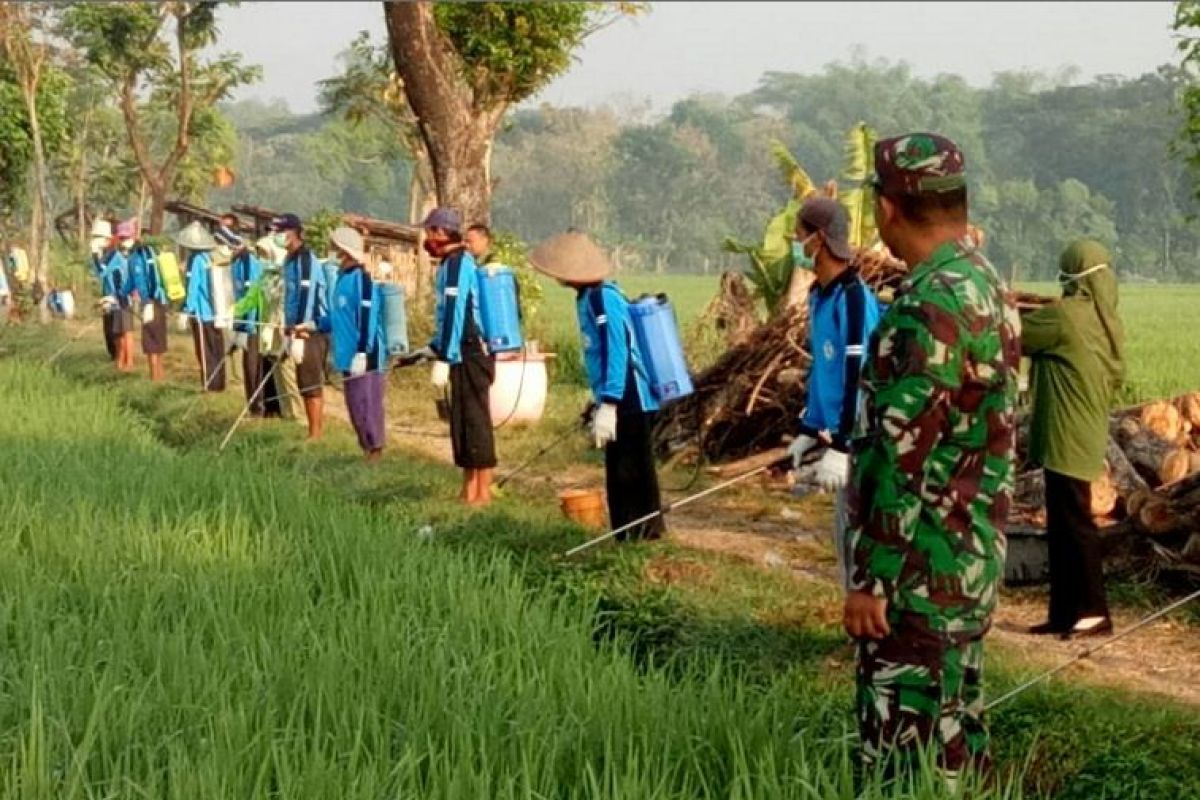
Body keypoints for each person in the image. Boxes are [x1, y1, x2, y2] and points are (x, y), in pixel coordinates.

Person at [845, 133, 1020, 783]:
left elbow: (899, 454)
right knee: (957, 749)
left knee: (901, 763)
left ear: (888, 208)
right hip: (969, 566)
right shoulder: (985, 285)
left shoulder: (925, 305)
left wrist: (871, 578)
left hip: (919, 579)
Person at [529, 231, 664, 540]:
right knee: (620, 467)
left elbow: (617, 348)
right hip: (615, 393)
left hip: (631, 393)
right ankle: (628, 535)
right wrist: (599, 399)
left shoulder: (604, 299)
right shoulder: (587, 297)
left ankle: (641, 535)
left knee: (632, 468)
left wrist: (612, 401)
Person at [1020, 240, 1124, 639]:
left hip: (1067, 435)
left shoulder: (1064, 316)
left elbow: (1018, 336)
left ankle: (1094, 612)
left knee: (1076, 524)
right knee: (1064, 523)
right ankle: (1064, 612)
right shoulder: (1103, 319)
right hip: (1084, 430)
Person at [786, 197, 882, 588]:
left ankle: (876, 635)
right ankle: (855, 626)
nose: (797, 246)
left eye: (799, 238)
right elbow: (822, 369)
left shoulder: (854, 299)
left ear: (819, 240)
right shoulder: (818, 296)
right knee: (845, 535)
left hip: (861, 439)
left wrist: (841, 446)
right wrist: (809, 427)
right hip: (836, 434)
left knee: (864, 538)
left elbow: (857, 375)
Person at [423, 207, 496, 505]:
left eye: (429, 231)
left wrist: (446, 354)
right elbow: (444, 317)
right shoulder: (448, 264)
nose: (427, 237)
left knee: (476, 420)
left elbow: (456, 313)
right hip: (458, 349)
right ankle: (468, 489)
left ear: (441, 232)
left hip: (469, 350)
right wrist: (433, 346)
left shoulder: (456, 264)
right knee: (462, 421)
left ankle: (483, 492)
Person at [318, 226, 387, 462]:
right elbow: (339, 317)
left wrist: (363, 352)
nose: (336, 256)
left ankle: (375, 452)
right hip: (346, 354)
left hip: (364, 355)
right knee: (354, 406)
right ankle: (366, 450)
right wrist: (313, 325)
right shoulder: (341, 279)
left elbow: (368, 317)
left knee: (367, 405)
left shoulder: (363, 279)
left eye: (339, 251)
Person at [274, 213, 328, 441]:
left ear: (293, 232)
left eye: (281, 231)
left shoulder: (306, 259)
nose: (276, 235)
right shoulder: (289, 260)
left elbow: (307, 295)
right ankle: (310, 430)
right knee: (302, 380)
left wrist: (299, 329)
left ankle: (315, 433)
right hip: (294, 327)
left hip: (310, 329)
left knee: (311, 382)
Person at [218, 214, 267, 416]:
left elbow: (252, 298)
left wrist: (246, 327)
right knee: (248, 368)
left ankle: (259, 409)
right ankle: (251, 408)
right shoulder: (236, 264)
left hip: (255, 325)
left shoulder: (250, 264)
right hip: (242, 323)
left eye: (229, 245)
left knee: (254, 368)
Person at [178, 220, 226, 392]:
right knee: (216, 350)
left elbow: (192, 287)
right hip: (216, 311)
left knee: (204, 352)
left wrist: (185, 310)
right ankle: (219, 384)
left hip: (201, 312)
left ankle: (209, 384)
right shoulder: (209, 257)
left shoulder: (195, 260)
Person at [124, 220, 169, 381]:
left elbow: (137, 281)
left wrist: (146, 300)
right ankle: (159, 375)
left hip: (151, 302)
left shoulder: (138, 257)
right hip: (161, 300)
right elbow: (130, 283)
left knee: (151, 342)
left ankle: (155, 377)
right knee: (159, 340)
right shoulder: (155, 254)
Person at [106, 221, 138, 372]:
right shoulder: (116, 255)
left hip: (125, 299)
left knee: (127, 332)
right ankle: (120, 359)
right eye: (122, 238)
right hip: (115, 299)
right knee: (118, 332)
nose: (124, 241)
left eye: (126, 238)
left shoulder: (131, 257)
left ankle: (129, 361)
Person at [88, 219, 119, 359]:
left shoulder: (113, 255)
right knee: (107, 331)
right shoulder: (105, 255)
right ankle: (113, 357)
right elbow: (96, 272)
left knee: (115, 332)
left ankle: (119, 359)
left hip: (117, 299)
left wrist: (95, 254)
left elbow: (102, 272)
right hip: (107, 298)